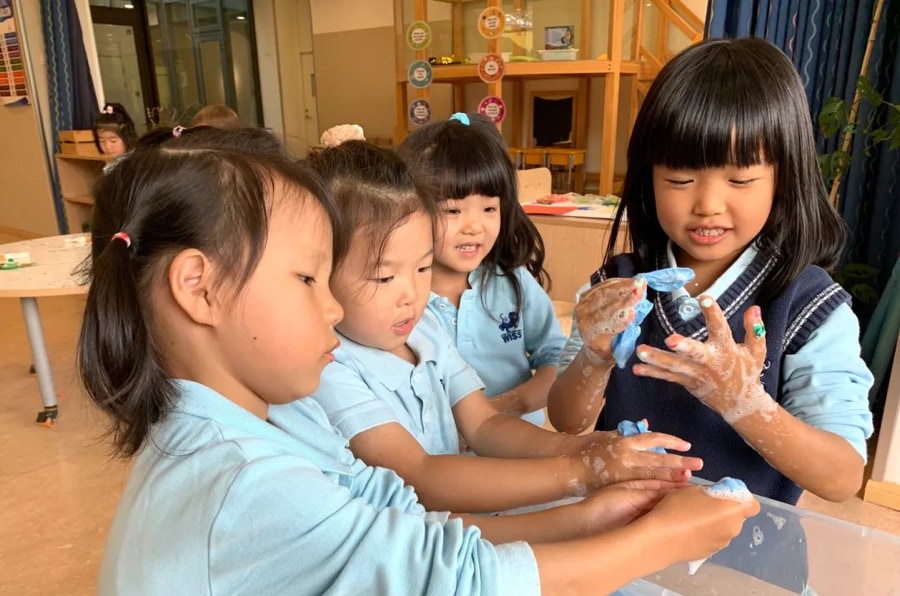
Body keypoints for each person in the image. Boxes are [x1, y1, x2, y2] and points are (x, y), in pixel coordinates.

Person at [79, 126, 758, 595]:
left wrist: (590, 511)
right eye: (308, 279)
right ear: (200, 287)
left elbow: (399, 527)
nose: (334, 310)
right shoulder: (242, 482)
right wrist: (662, 537)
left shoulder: (267, 420)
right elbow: (461, 580)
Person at [548, 37, 874, 507]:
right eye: (680, 179)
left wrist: (743, 400)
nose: (707, 205)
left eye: (740, 179)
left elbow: (842, 477)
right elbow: (567, 420)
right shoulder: (618, 286)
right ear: (648, 177)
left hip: (746, 559)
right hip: (620, 546)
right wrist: (594, 358)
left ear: (783, 177)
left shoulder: (807, 306)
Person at [301, 139, 705, 515]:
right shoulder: (328, 368)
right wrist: (582, 472)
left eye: (423, 267)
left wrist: (583, 447)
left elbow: (484, 424)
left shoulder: (422, 329)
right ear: (319, 274)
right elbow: (420, 475)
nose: (412, 294)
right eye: (384, 277)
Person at [398, 112, 564, 427]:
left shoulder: (513, 281)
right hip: (444, 458)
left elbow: (555, 357)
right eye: (452, 210)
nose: (474, 227)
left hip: (520, 444)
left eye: (489, 208)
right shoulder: (400, 297)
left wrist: (508, 406)